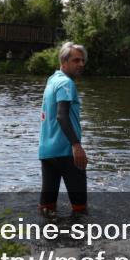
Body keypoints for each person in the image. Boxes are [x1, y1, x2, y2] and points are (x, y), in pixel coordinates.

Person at [39, 42, 89, 215]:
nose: (81, 64)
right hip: (66, 152)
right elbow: (62, 115)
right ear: (64, 61)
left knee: (46, 207)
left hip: (47, 152)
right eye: (76, 60)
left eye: (82, 60)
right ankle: (78, 240)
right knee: (80, 208)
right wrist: (76, 145)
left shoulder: (52, 80)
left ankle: (46, 238)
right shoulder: (66, 84)